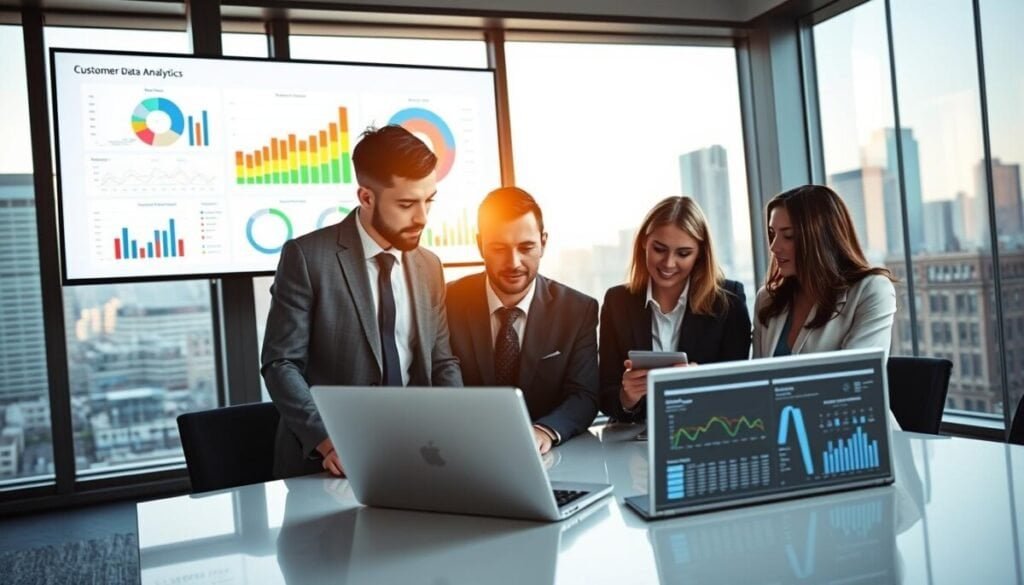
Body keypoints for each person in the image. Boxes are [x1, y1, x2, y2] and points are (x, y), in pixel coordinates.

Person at [261, 125, 462, 479]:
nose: (422, 218)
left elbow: (442, 361)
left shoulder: (429, 266)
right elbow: (280, 363)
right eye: (406, 204)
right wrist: (328, 440)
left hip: (419, 454)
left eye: (428, 200)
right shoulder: (308, 258)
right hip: (329, 464)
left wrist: (461, 427)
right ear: (366, 197)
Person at [446, 187, 599, 454]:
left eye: (526, 247)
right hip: (465, 451)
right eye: (498, 248)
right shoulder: (447, 302)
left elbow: (584, 395)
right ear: (480, 244)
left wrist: (545, 431)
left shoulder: (577, 310)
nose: (513, 262)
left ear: (543, 243)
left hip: (547, 458)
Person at [599, 196, 752, 423]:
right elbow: (605, 396)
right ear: (644, 243)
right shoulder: (617, 301)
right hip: (633, 443)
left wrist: (699, 383)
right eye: (659, 249)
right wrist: (627, 396)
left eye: (683, 253)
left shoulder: (728, 301)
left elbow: (740, 394)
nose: (669, 263)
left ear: (700, 253)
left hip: (702, 434)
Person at [752, 184, 896, 358]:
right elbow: (757, 378)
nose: (774, 247)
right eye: (772, 234)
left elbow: (856, 376)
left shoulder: (870, 290)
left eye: (788, 236)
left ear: (820, 239)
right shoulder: (767, 299)